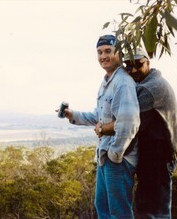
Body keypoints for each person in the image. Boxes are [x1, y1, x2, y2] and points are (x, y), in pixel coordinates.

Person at [58, 35, 140, 218]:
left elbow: (129, 122)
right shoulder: (106, 82)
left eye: (108, 51)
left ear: (118, 53)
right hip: (105, 155)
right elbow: (99, 116)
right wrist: (73, 115)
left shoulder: (123, 83)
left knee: (119, 212)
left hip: (118, 158)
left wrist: (115, 154)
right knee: (102, 207)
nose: (103, 56)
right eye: (100, 52)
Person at [99, 47, 177, 218]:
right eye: (128, 66)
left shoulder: (149, 89)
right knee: (148, 206)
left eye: (138, 65)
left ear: (148, 62)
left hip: (160, 156)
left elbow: (128, 121)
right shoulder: (150, 81)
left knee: (154, 210)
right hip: (154, 154)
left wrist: (102, 128)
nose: (134, 70)